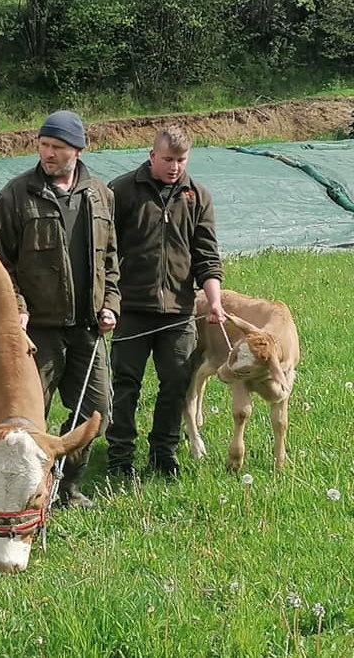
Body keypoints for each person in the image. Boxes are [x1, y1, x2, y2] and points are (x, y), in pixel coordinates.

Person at [0, 110, 120, 508]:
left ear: (78, 151)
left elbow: (112, 259)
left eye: (58, 148)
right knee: (29, 420)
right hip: (38, 333)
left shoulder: (101, 194)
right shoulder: (15, 195)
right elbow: (0, 264)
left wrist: (110, 304)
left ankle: (67, 486)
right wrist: (18, 306)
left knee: (98, 411)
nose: (48, 154)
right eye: (44, 145)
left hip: (88, 329)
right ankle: (27, 492)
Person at [106, 124, 225, 479]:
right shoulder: (122, 191)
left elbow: (207, 255)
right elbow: (106, 252)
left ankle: (163, 452)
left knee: (176, 382)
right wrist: (108, 300)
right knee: (125, 385)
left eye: (181, 160)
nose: (174, 167)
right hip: (132, 308)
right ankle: (120, 457)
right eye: (168, 159)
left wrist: (214, 301)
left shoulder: (197, 196)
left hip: (178, 310)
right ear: (152, 156)